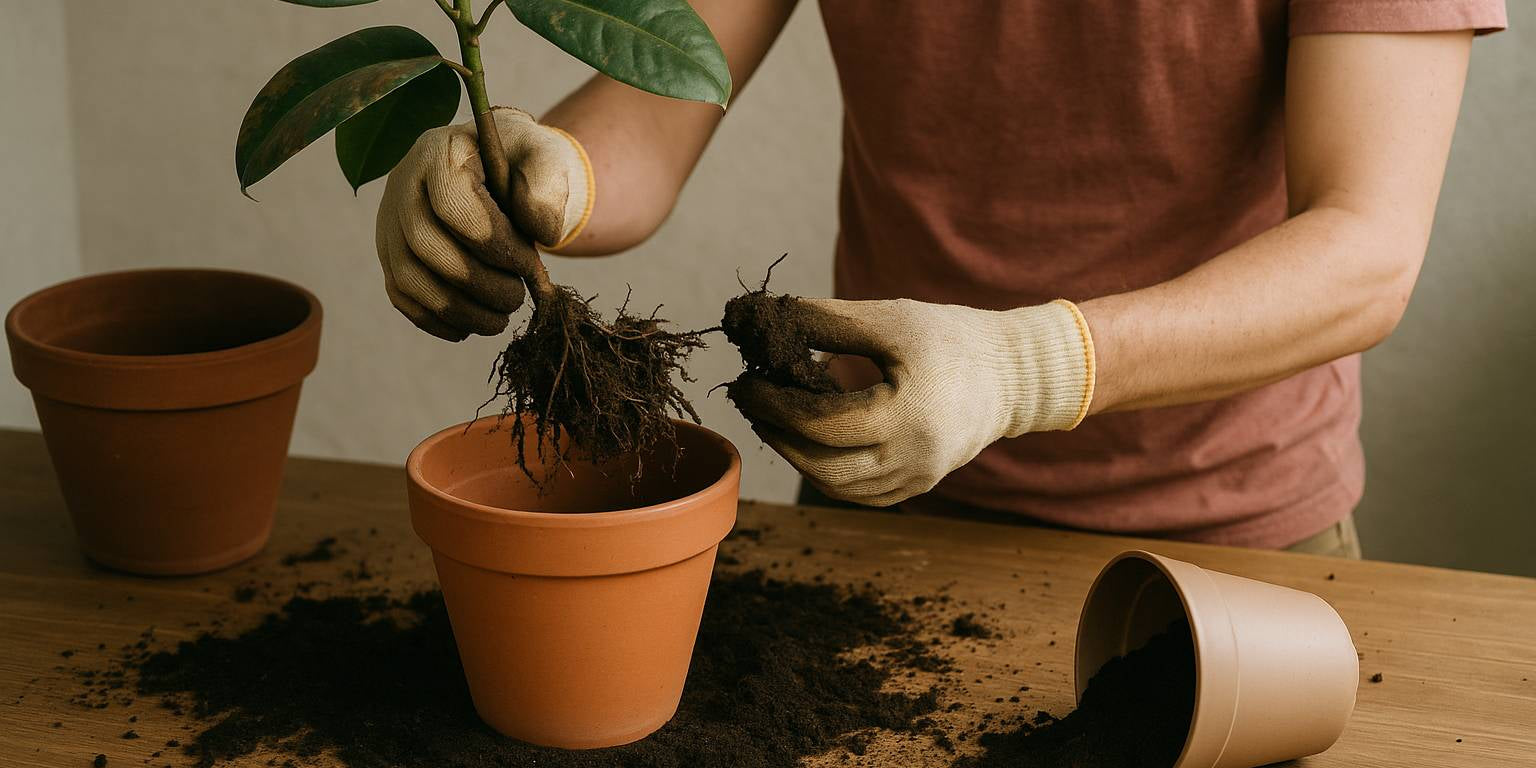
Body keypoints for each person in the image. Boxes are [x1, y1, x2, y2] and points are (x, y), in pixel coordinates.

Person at [373, 1, 1507, 558]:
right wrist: (537, 177)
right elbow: (652, 116)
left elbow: (1366, 251)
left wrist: (1028, 368)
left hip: (1232, 542)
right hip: (883, 504)